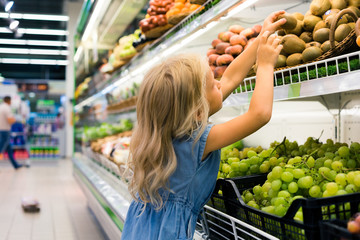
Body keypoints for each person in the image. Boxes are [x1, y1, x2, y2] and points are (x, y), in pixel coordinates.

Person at [122, 11, 286, 240]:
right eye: (213, 85)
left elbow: (229, 79)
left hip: (138, 228)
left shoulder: (166, 132)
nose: (220, 84)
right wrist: (266, 65)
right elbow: (259, 114)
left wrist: (260, 40)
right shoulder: (199, 140)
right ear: (198, 110)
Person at [0, 96, 23, 169]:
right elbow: (10, 120)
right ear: (9, 101)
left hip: (1, 130)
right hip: (5, 130)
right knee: (1, 148)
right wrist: (16, 120)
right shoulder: (7, 108)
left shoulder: (1, 107)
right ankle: (15, 165)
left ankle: (15, 165)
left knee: (9, 149)